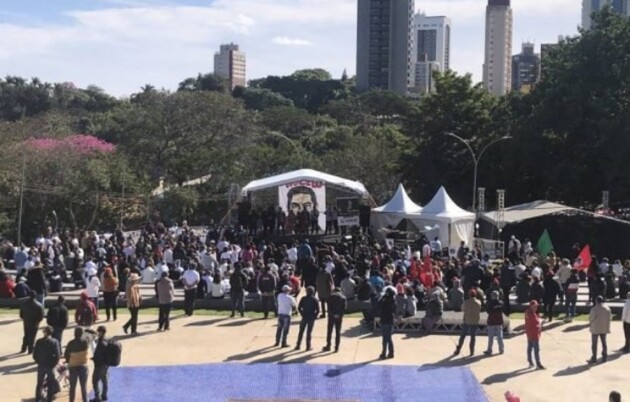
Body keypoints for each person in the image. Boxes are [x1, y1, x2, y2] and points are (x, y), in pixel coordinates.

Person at [33, 325, 61, 402]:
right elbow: (58, 355)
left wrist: (39, 361)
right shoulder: (54, 342)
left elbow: (35, 355)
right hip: (50, 366)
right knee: (50, 383)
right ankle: (49, 399)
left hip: (41, 365)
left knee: (39, 383)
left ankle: (38, 398)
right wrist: (54, 364)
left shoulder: (39, 341)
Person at [65, 327, 90, 402]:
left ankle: (71, 400)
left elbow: (66, 354)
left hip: (73, 366)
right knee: (83, 386)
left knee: (72, 387)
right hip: (83, 365)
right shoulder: (85, 342)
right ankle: (85, 400)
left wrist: (68, 361)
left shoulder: (70, 343)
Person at [454, 290, 481, 356]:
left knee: (462, 336)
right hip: (474, 322)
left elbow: (462, 309)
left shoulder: (466, 302)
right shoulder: (479, 302)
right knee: (473, 337)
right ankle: (472, 352)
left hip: (466, 321)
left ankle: (458, 349)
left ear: (469, 295)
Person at [588, 295, 611, 364]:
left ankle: (594, 357)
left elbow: (591, 318)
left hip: (595, 328)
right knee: (604, 342)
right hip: (604, 328)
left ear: (596, 301)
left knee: (594, 343)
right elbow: (610, 318)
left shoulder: (594, 309)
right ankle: (604, 356)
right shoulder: (607, 308)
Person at [295, 286, 319, 351]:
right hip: (311, 317)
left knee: (301, 332)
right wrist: (315, 316)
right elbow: (318, 310)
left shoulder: (303, 298)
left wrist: (302, 313)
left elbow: (299, 307)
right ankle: (308, 346)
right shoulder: (315, 299)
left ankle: (298, 345)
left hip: (304, 316)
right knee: (309, 332)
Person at [323, 287, 346, 353]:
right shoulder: (343, 298)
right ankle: (336, 347)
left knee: (329, 331)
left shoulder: (330, 296)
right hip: (339, 317)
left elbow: (329, 308)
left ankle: (328, 345)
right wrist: (338, 314)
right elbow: (344, 309)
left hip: (331, 316)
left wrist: (333, 314)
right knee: (338, 332)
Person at [91, 325, 110, 402]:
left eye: (98, 331)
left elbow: (97, 354)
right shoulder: (107, 340)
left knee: (95, 380)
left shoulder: (101, 343)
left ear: (101, 332)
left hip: (100, 365)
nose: (97, 333)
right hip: (106, 364)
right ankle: (104, 396)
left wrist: (94, 358)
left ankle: (97, 397)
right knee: (104, 380)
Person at [525, 300, 544, 369]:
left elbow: (534, 319)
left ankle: (530, 362)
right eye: (535, 306)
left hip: (529, 333)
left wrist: (538, 316)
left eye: (536, 306)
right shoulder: (532, 314)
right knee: (536, 349)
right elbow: (537, 323)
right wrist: (540, 320)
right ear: (531, 306)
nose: (536, 308)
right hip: (534, 334)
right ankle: (538, 364)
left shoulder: (528, 312)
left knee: (529, 348)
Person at [484, 290, 504, 355]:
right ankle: (501, 349)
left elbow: (488, 311)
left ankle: (489, 350)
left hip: (491, 322)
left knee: (491, 338)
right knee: (500, 337)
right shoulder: (501, 303)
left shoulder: (490, 303)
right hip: (499, 322)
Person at [378, 287, 396, 359]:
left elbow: (378, 305)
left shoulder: (385, 301)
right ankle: (391, 353)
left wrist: (382, 297)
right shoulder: (393, 301)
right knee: (389, 338)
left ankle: (384, 353)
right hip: (390, 320)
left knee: (385, 338)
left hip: (385, 320)